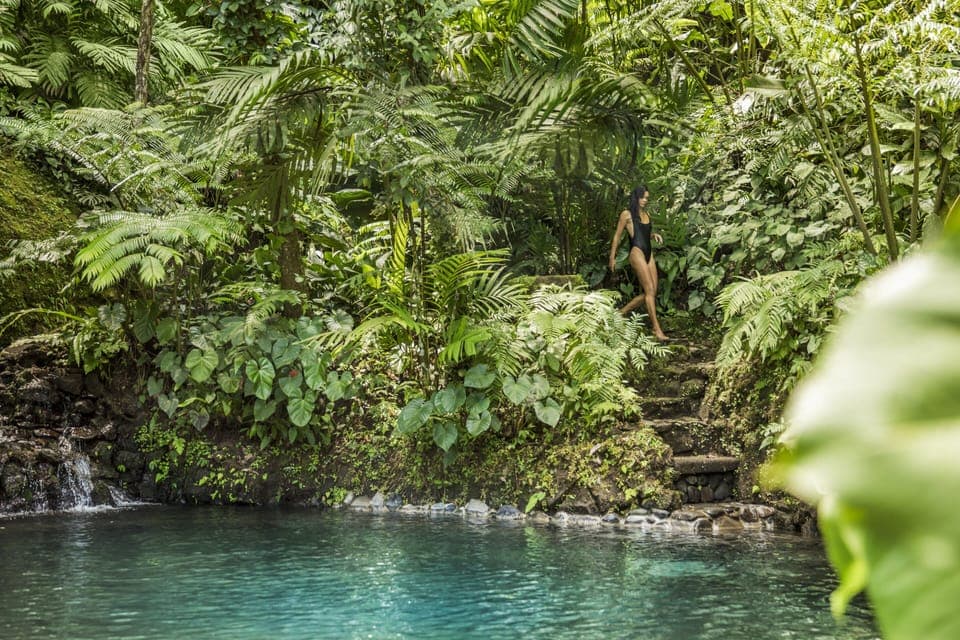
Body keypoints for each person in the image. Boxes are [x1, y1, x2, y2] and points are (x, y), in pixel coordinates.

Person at [608, 185, 668, 341]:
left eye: (647, 198)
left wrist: (654, 235)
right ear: (636, 197)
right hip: (637, 253)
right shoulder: (626, 214)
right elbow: (617, 236)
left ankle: (621, 312)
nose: (645, 200)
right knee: (649, 291)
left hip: (649, 253)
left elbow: (643, 233)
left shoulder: (645, 214)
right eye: (643, 198)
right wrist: (612, 258)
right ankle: (656, 329)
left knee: (652, 292)